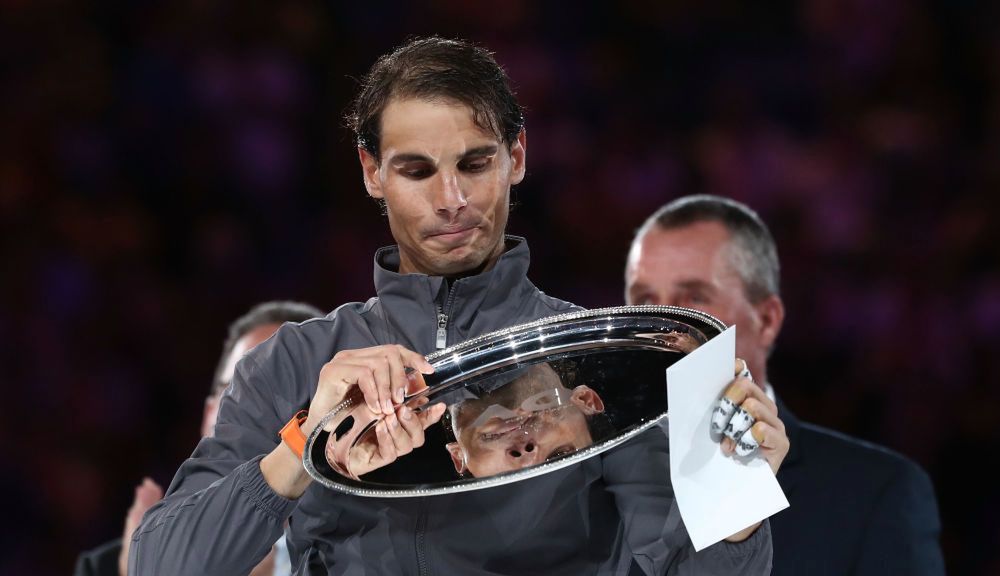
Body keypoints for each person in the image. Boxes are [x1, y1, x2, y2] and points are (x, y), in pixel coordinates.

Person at [131, 37, 786, 575]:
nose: (451, 200)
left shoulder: (602, 359)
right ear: (371, 172)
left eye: (475, 164)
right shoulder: (297, 362)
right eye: (416, 171)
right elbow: (162, 564)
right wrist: (304, 446)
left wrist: (736, 505)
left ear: (517, 157)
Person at [625, 194, 945, 575]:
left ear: (767, 319)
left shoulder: (876, 495)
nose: (664, 324)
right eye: (645, 300)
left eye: (694, 298)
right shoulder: (595, 490)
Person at [74, 300, 323, 576]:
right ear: (209, 414)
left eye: (292, 397)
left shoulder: (358, 555)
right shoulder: (112, 568)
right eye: (242, 389)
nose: (263, 414)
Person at [443, 362, 608, 477]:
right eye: (559, 456)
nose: (526, 457)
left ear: (458, 456)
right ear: (585, 401)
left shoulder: (417, 370)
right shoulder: (560, 316)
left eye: (508, 479)